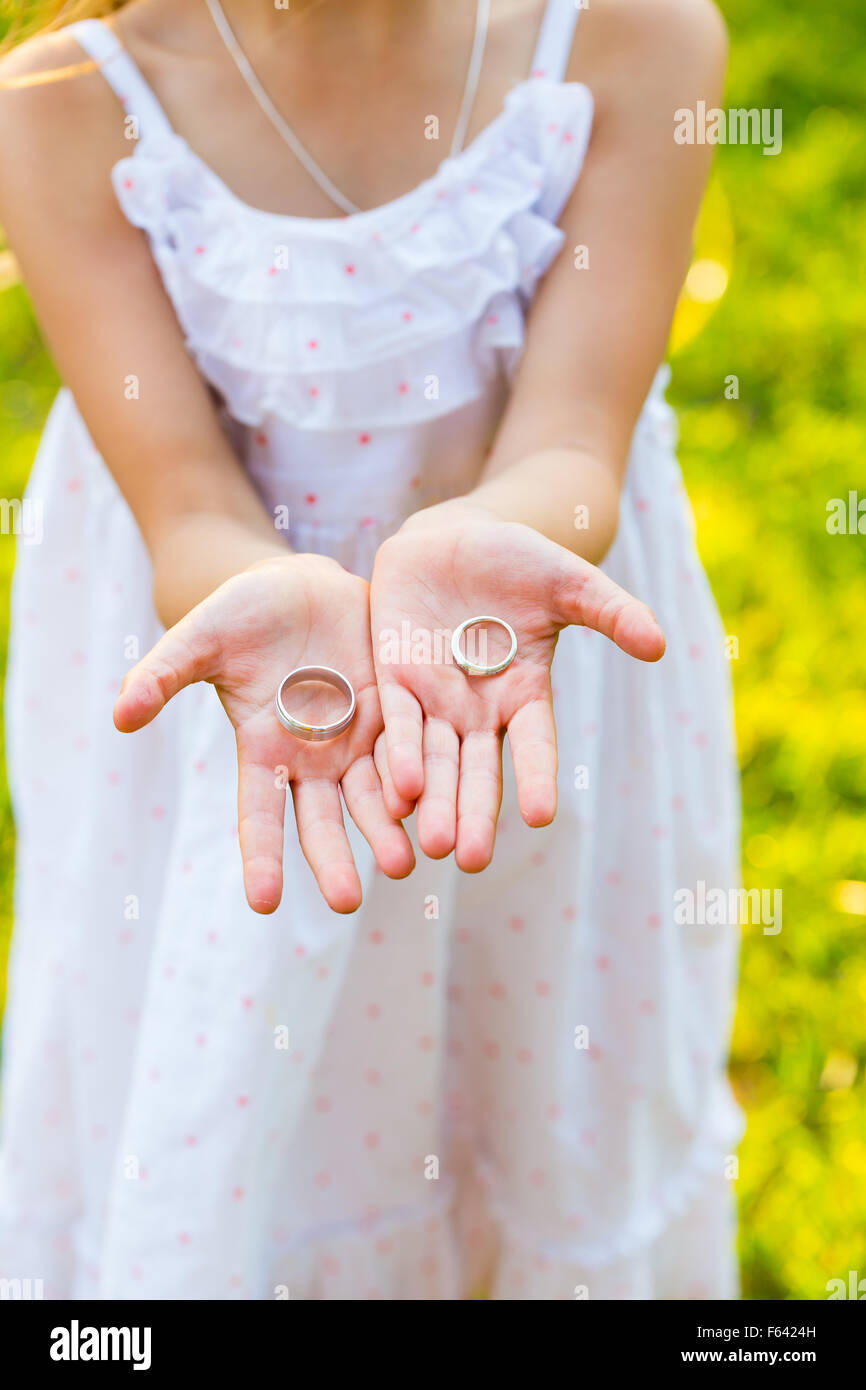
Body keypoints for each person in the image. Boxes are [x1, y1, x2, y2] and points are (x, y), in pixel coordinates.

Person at [0, 0, 743, 1299]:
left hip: (521, 683)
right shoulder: (61, 105)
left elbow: (574, 432)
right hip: (243, 725)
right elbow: (184, 501)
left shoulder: (635, 41)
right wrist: (264, 586)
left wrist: (493, 536)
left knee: (534, 1076)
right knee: (253, 1116)